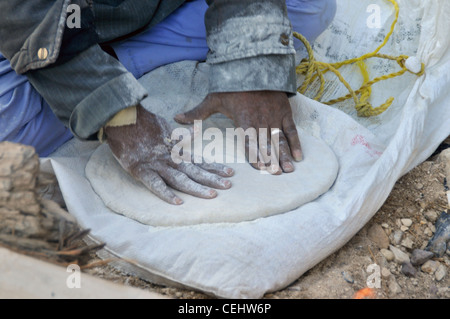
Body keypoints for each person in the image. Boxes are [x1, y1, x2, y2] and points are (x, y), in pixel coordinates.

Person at [0, 0, 336, 205]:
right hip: (33, 26)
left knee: (309, 5)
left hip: (152, 9)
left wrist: (251, 58)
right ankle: (100, 67)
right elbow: (23, 10)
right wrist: (115, 112)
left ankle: (120, 59)